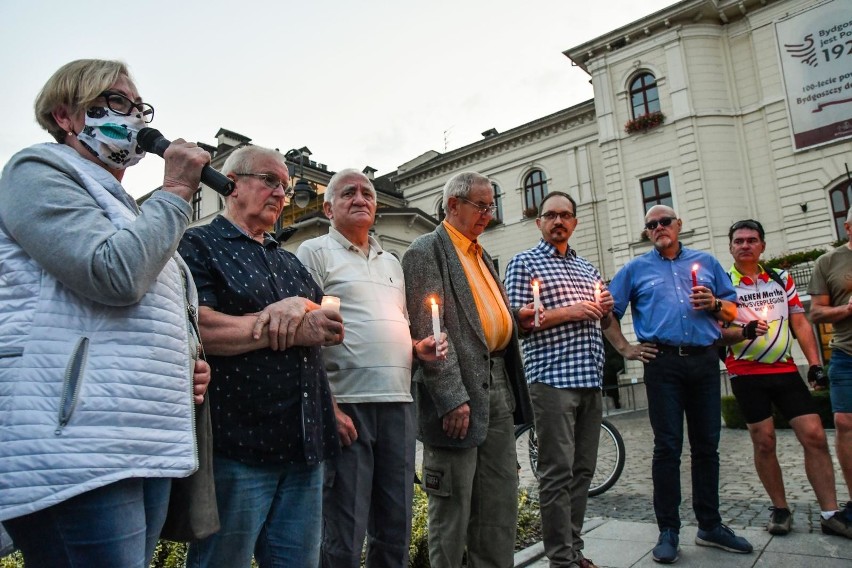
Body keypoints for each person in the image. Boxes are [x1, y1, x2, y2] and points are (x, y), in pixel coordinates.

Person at [0, 59, 211, 568]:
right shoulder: (38, 171)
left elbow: (155, 310)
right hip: (78, 441)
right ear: (66, 116)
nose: (134, 118)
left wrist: (186, 361)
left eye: (138, 107)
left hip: (139, 433)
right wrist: (179, 190)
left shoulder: (127, 207)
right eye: (116, 102)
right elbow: (114, 274)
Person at [178, 145, 344, 568]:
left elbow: (323, 325)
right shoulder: (198, 244)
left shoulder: (288, 260)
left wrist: (301, 310)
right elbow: (200, 329)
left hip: (305, 445)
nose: (280, 193)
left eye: (285, 186)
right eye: (269, 180)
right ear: (231, 185)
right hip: (239, 447)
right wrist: (281, 322)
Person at [296, 169, 447, 567]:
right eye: (348, 192)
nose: (360, 198)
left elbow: (392, 327)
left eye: (367, 193)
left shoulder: (392, 263)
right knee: (344, 532)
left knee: (394, 526)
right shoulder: (314, 252)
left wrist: (419, 348)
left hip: (398, 404)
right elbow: (304, 336)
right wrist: (329, 408)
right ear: (328, 207)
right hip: (348, 406)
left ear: (377, 207)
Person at [401, 171, 535, 568]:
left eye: (492, 205)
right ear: (453, 204)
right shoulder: (426, 251)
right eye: (482, 205)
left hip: (497, 386)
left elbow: (481, 321)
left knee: (499, 499)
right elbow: (430, 330)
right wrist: (450, 397)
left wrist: (513, 319)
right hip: (458, 394)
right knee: (453, 506)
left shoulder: (481, 253)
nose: (489, 214)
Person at [606, 205, 753, 564]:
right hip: (663, 363)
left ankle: (710, 525)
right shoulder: (635, 269)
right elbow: (607, 312)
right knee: (667, 447)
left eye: (664, 222)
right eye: (651, 225)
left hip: (704, 360)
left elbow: (735, 311)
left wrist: (716, 304)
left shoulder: (707, 262)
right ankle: (668, 529)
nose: (658, 228)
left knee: (707, 446)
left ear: (678, 225)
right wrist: (626, 348)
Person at [720, 219, 850, 537]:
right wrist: (744, 332)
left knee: (815, 436)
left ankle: (830, 512)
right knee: (764, 442)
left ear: (763, 245)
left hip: (785, 368)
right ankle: (780, 508)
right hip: (746, 372)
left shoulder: (781, 279)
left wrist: (815, 364)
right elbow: (717, 333)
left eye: (752, 240)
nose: (745, 245)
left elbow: (801, 324)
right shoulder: (723, 284)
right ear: (731, 247)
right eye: (739, 241)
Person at [505, 191, 615, 568]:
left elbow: (602, 320)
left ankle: (574, 548)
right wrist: (569, 311)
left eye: (565, 215)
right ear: (539, 222)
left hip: (590, 378)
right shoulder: (524, 263)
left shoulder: (587, 268)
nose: (558, 221)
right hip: (551, 380)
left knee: (583, 470)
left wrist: (605, 311)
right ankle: (560, 559)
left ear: (575, 222)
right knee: (556, 472)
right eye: (550, 215)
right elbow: (518, 321)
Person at [808, 205, 852, 528]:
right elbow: (816, 314)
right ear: (848, 228)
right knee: (845, 424)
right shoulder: (828, 262)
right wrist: (847, 308)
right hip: (846, 356)